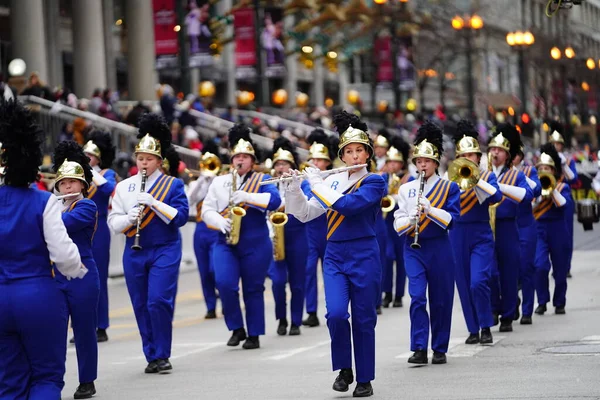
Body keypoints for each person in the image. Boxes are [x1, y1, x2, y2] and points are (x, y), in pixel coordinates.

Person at [285, 111, 386, 397]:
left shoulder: (374, 182)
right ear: (342, 156)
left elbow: (349, 207)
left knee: (364, 318)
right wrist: (294, 188)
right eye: (349, 152)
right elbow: (304, 213)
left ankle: (364, 378)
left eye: (359, 151)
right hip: (335, 254)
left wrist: (315, 184)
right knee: (337, 314)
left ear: (367, 153)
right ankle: (344, 368)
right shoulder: (331, 182)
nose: (354, 156)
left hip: (364, 252)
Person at [0, 99, 86, 400]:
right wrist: (77, 270)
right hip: (37, 293)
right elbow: (64, 256)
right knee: (47, 378)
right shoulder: (43, 201)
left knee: (9, 383)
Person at [108, 113, 189, 374]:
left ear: (159, 161)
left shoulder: (172, 185)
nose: (144, 163)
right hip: (135, 249)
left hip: (165, 247)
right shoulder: (124, 187)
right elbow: (113, 222)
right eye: (140, 158)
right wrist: (128, 219)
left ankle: (163, 353)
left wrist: (155, 203)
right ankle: (151, 354)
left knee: (158, 300)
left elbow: (181, 218)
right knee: (140, 303)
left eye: (149, 159)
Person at [201, 124, 281, 350]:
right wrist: (219, 221)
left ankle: (254, 333)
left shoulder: (262, 180)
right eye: (238, 156)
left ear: (253, 160)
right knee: (224, 283)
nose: (241, 160)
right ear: (231, 158)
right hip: (225, 239)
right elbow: (206, 209)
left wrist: (248, 196)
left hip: (255, 241)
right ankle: (236, 327)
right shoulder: (219, 181)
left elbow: (274, 202)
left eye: (246, 157)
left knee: (253, 287)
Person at [394, 121, 460, 365]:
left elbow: (451, 220)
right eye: (418, 161)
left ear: (436, 162)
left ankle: (440, 347)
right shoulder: (407, 189)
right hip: (414, 247)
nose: (422, 165)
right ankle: (419, 347)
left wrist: (430, 210)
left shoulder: (449, 188)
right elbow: (397, 221)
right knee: (418, 296)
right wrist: (411, 219)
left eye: (427, 161)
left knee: (441, 300)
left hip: (440, 247)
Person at [52, 141, 100, 399]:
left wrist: (44, 213)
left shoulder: (86, 206)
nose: (67, 187)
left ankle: (87, 380)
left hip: (82, 274)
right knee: (53, 331)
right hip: (56, 276)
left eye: (72, 182)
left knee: (83, 329)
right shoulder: (52, 206)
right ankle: (52, 381)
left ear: (82, 184)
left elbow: (64, 224)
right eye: (63, 183)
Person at [447, 120, 501, 345]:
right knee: (463, 282)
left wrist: (476, 180)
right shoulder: (450, 178)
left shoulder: (487, 177)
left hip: (480, 234)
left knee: (478, 281)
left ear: (479, 157)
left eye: (473, 155)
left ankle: (485, 324)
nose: (469, 159)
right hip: (457, 234)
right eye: (465, 155)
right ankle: (473, 328)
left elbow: (496, 197)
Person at [487, 123, 534, 332]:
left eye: (499, 150)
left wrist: (501, 187)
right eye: (492, 149)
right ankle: (494, 308)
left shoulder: (516, 175)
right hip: (486, 228)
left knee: (508, 272)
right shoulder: (481, 171)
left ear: (507, 154)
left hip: (507, 226)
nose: (495, 152)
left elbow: (527, 196)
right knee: (489, 272)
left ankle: (507, 315)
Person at [267, 137, 309, 336]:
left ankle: (296, 321)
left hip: (297, 234)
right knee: (277, 281)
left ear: (292, 165)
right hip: (276, 235)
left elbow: (306, 202)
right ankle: (281, 318)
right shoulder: (269, 183)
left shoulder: (302, 181)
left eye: (284, 164)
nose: (281, 167)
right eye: (278, 164)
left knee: (297, 282)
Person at [83, 130, 118, 342]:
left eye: (91, 154)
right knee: (78, 279)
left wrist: (91, 173)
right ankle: (83, 325)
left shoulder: (106, 173)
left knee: (98, 276)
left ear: (99, 157)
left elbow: (110, 190)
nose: (87, 157)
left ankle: (101, 325)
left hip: (99, 226)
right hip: (78, 229)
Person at [533, 144, 572, 315]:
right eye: (540, 168)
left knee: (560, 269)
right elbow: (530, 207)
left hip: (558, 227)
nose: (543, 171)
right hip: (540, 228)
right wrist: (540, 195)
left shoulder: (563, 187)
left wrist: (552, 189)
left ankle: (560, 301)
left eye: (547, 168)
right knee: (540, 265)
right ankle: (542, 300)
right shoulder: (535, 188)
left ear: (553, 170)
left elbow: (565, 205)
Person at [302, 129, 333, 327]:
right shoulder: (305, 179)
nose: (315, 163)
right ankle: (311, 311)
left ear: (327, 163)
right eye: (312, 159)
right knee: (308, 270)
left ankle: (332, 308)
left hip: (330, 231)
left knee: (330, 272)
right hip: (311, 232)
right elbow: (306, 199)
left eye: (320, 160)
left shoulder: (333, 179)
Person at [381, 135, 412, 309]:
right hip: (386, 221)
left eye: (395, 162)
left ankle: (399, 294)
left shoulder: (409, 178)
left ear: (401, 163)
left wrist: (396, 197)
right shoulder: (383, 177)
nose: (392, 165)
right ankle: (387, 292)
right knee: (386, 256)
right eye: (389, 161)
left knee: (401, 258)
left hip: (403, 221)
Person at [188, 153, 220, 319]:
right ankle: (210, 307)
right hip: (200, 228)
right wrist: (202, 180)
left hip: (215, 228)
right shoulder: (196, 183)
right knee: (204, 271)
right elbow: (190, 200)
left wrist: (213, 180)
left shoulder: (220, 181)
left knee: (215, 268)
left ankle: (225, 296)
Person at [513, 146, 541, 325]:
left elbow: (537, 189)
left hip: (525, 225)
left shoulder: (529, 170)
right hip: (505, 226)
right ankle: (511, 302)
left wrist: (518, 175)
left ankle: (527, 310)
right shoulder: (495, 172)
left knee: (526, 268)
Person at [548, 122, 578, 278]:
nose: (555, 146)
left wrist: (564, 164)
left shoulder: (568, 159)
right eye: (553, 144)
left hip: (564, 196)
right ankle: (555, 265)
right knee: (550, 235)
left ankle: (565, 266)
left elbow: (573, 179)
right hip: (548, 199)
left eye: (558, 144)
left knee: (567, 234)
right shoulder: (544, 159)